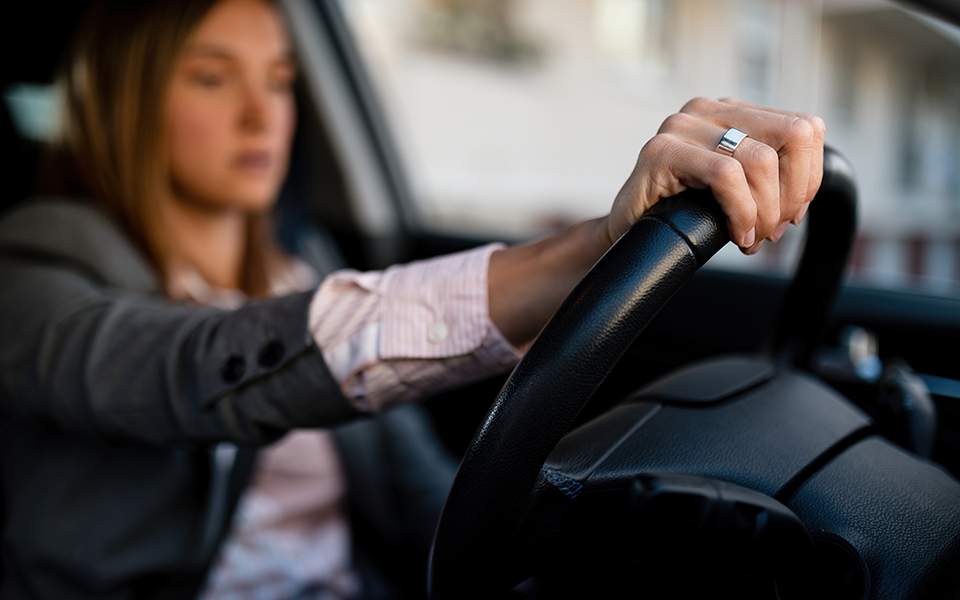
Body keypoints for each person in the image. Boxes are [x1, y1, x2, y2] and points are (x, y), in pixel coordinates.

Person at [0, 0, 826, 598]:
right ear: (130, 100)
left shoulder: (304, 270)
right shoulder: (33, 264)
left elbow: (425, 497)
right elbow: (189, 366)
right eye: (212, 78)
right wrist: (590, 246)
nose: (261, 115)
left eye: (280, 81)